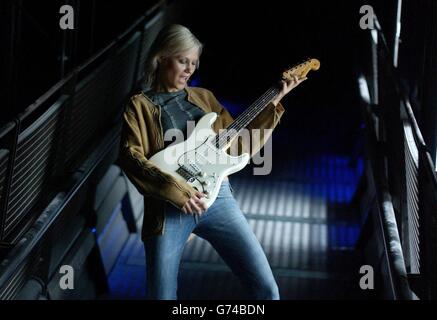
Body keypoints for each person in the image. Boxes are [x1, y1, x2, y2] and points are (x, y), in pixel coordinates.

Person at [118, 24, 306, 300]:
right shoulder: (139, 106)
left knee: (267, 291)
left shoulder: (204, 98)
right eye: (183, 61)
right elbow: (131, 157)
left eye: (194, 63)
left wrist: (275, 101)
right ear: (161, 57)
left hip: (219, 200)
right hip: (168, 209)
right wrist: (178, 193)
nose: (189, 69)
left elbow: (241, 146)